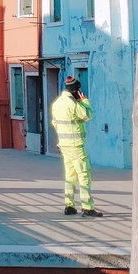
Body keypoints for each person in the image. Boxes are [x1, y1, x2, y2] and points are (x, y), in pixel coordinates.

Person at [51, 76, 102, 217]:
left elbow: (55, 123)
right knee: (84, 175)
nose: (80, 92)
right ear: (75, 90)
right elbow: (88, 115)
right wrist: (85, 101)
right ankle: (87, 207)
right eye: (78, 90)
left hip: (64, 144)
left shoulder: (57, 103)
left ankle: (69, 205)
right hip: (76, 145)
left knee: (70, 175)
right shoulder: (73, 104)